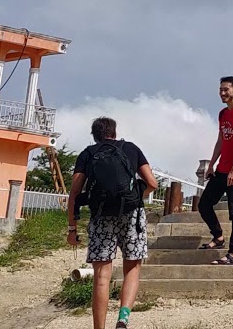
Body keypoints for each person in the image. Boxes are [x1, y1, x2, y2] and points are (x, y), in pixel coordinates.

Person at [68, 117, 158, 329]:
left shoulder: (88, 154)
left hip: (101, 217)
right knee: (133, 267)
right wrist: (136, 197)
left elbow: (74, 192)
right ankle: (123, 319)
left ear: (95, 135)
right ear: (114, 132)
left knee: (101, 276)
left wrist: (72, 228)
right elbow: (152, 184)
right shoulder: (131, 148)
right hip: (132, 215)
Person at [197, 75, 233, 265]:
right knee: (204, 204)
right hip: (221, 170)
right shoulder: (223, 114)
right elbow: (221, 140)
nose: (222, 93)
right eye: (221, 89)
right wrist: (212, 164)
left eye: (226, 90)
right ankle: (218, 236)